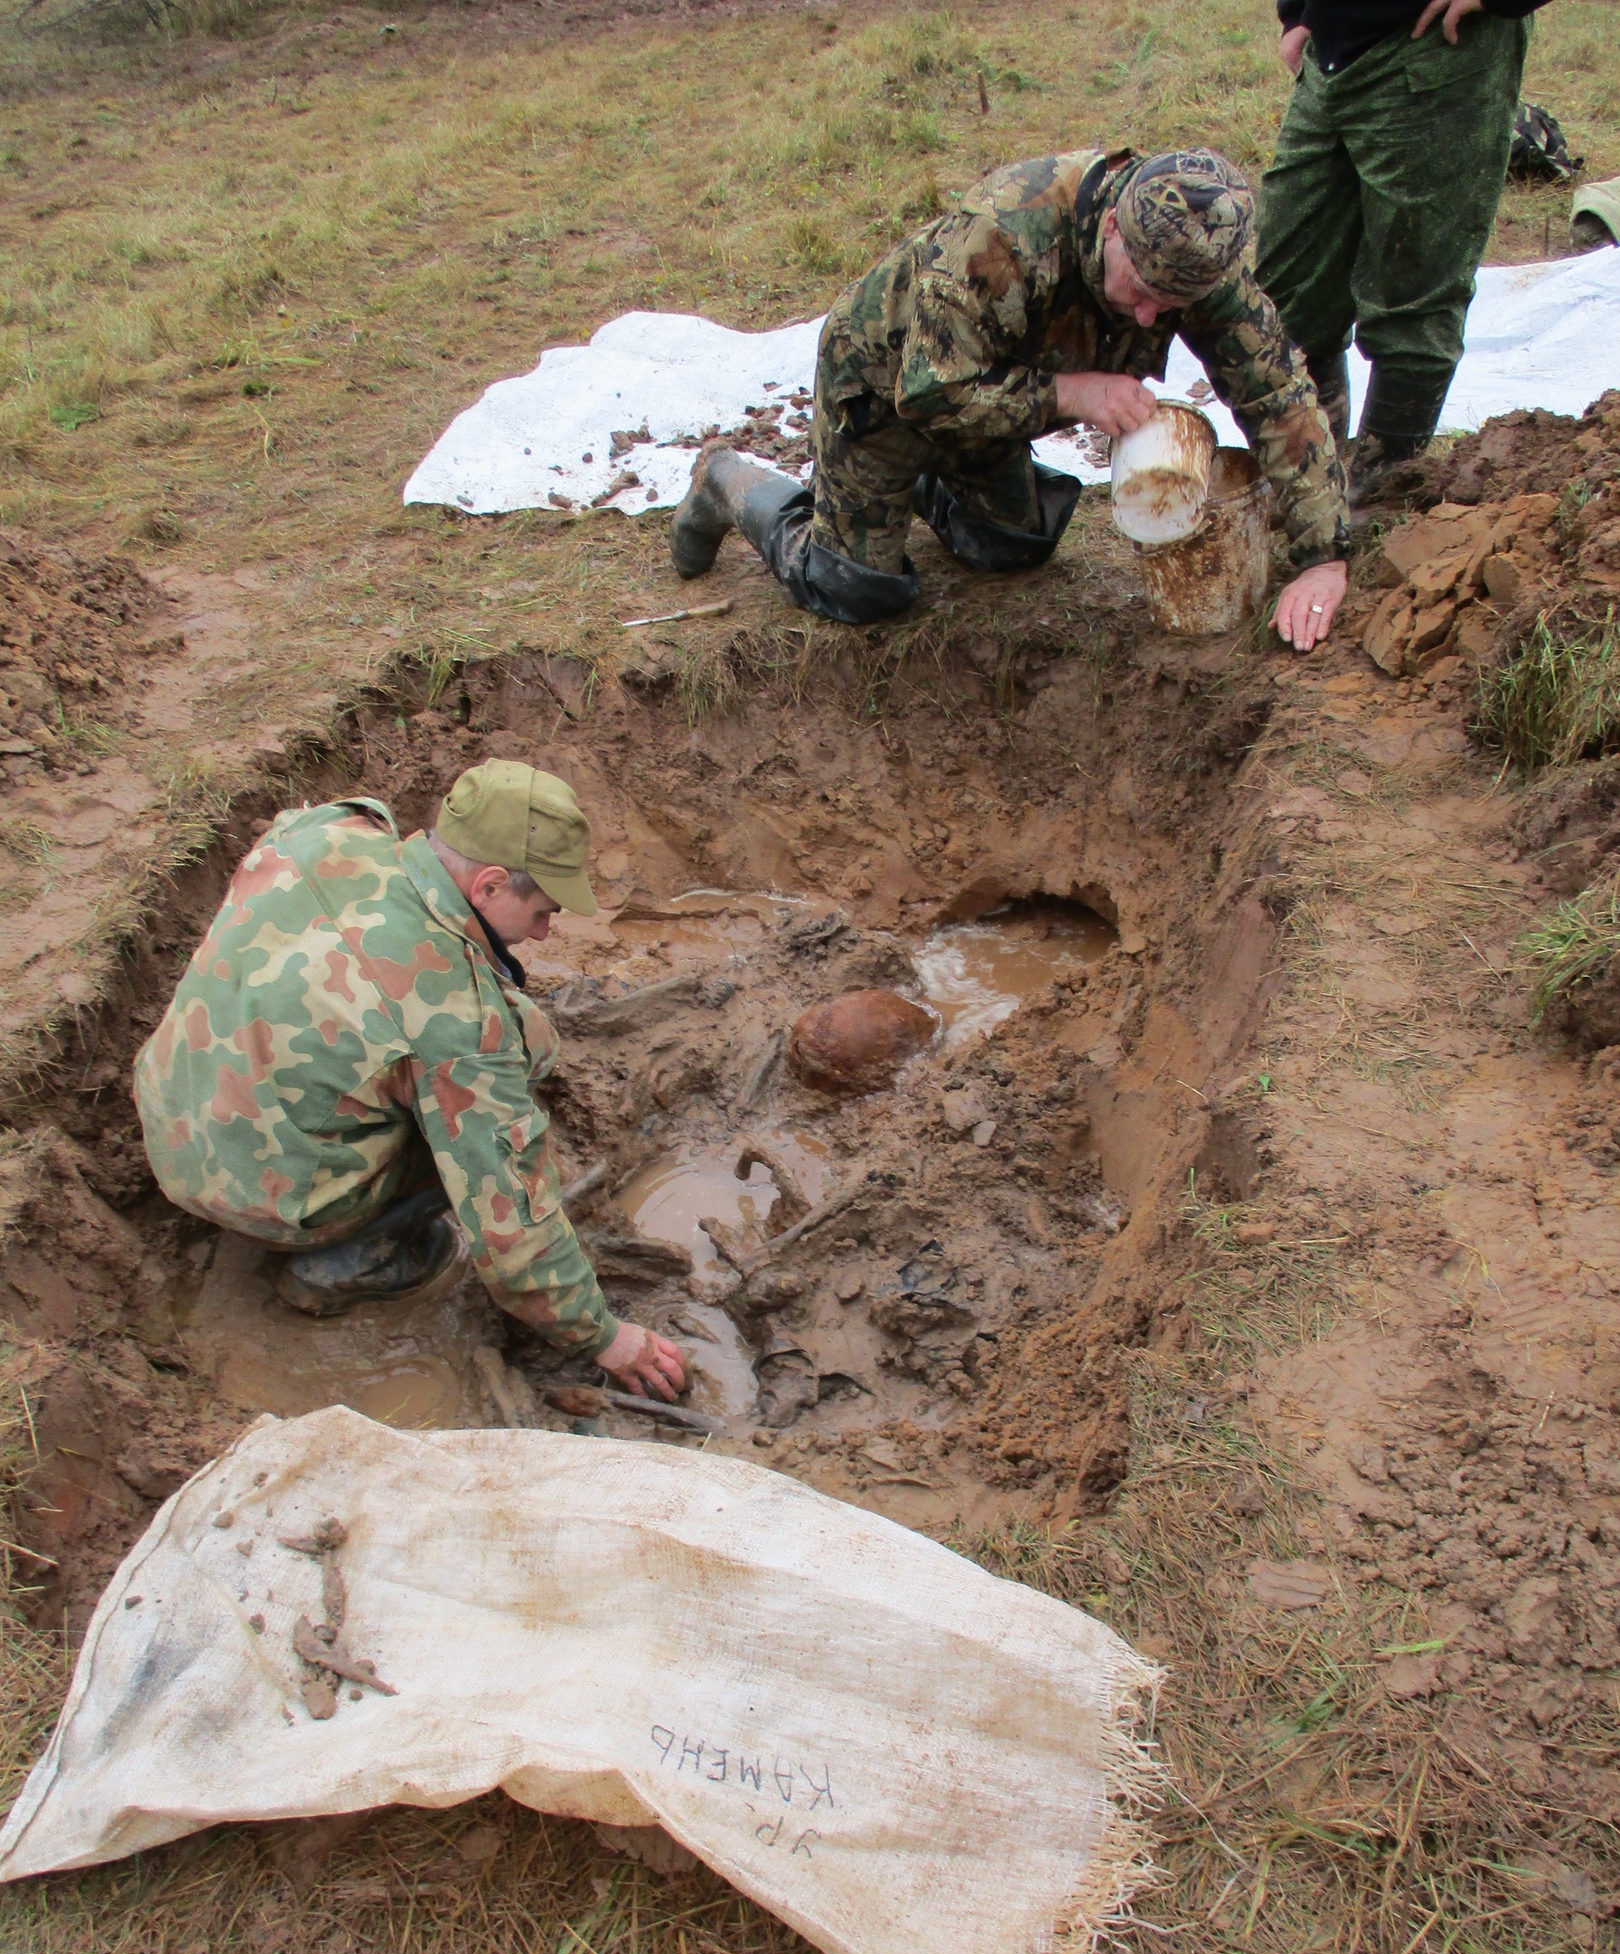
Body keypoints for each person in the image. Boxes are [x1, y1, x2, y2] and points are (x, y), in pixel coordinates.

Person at [133, 760, 688, 1402]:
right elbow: (510, 1223)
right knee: (474, 1131)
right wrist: (606, 1338)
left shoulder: (328, 831)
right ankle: (340, 1265)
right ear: (489, 886)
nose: (546, 929)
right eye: (543, 909)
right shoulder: (456, 1020)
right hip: (267, 1200)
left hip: (168, 1102)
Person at [670, 146, 1349, 654]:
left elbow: (1279, 395)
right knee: (856, 589)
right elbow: (929, 391)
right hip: (886, 388)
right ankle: (727, 479)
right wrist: (1070, 393)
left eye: (1168, 308)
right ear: (1112, 225)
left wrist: (1322, 556)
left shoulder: (1193, 262)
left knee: (1017, 542)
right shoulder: (1003, 237)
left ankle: (913, 488)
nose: (1148, 319)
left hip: (992, 395)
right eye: (1139, 291)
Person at [1255, 0, 1552, 506]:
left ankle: (1378, 503)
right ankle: (1313, 488)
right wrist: (1301, 11)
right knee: (1288, 283)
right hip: (1335, 47)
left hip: (1438, 47)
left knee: (1413, 293)